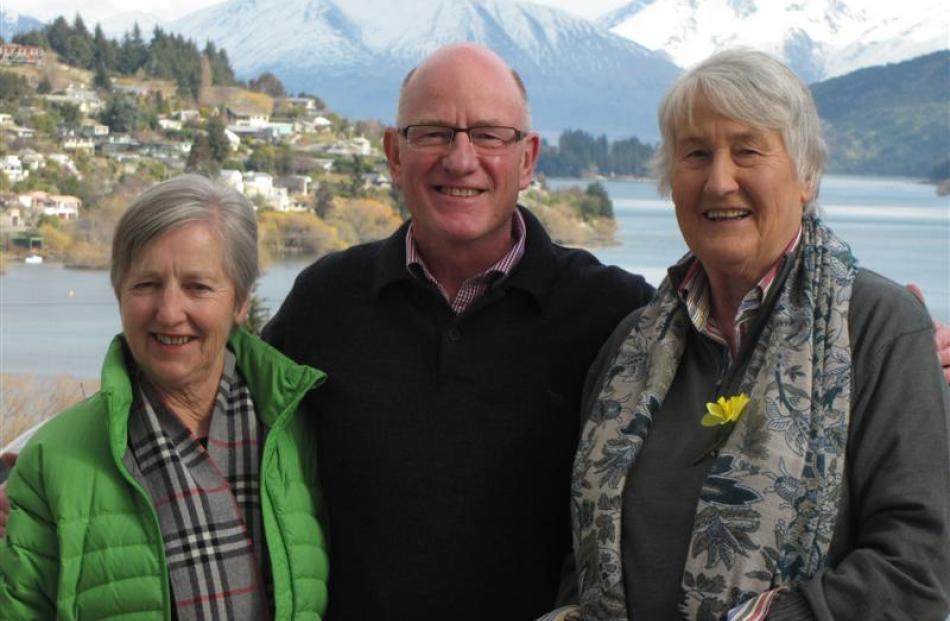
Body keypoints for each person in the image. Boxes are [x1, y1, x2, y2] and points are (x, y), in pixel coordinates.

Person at [261, 44, 655, 620]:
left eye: (490, 135)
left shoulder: (616, 314)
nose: (461, 158)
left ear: (527, 158)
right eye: (434, 133)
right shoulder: (326, 301)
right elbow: (230, 440)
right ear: (395, 155)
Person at [567, 50, 950, 620]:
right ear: (670, 180)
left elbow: (917, 570)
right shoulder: (629, 347)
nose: (720, 181)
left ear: (806, 176)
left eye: (747, 150)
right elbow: (578, 564)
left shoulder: (878, 330)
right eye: (696, 153)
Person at [0, 175, 330, 619]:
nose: (170, 312)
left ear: (240, 301)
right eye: (146, 285)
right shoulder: (51, 461)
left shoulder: (298, 433)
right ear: (119, 293)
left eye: (197, 286)